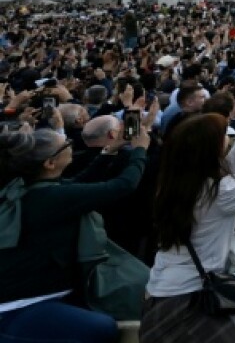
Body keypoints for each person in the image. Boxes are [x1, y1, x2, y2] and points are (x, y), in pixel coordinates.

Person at [142, 111, 235, 343]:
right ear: (210, 148)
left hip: (160, 290)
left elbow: (216, 180)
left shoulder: (174, 182)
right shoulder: (222, 191)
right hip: (192, 299)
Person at [0, 125, 149, 343]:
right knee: (104, 327)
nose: (72, 145)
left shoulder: (26, 189)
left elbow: (79, 182)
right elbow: (122, 186)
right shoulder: (51, 198)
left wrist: (109, 151)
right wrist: (140, 151)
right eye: (67, 144)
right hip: (24, 303)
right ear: (50, 163)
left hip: (27, 293)